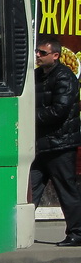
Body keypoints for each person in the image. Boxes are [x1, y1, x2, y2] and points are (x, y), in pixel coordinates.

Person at [31, 36, 81, 247]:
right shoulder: (37, 76)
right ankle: (12, 232)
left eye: (42, 53)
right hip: (42, 145)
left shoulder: (65, 77)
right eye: (38, 52)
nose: (38, 56)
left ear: (56, 55)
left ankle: (77, 233)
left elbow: (59, 111)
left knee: (66, 190)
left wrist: (29, 115)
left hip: (60, 145)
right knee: (29, 190)